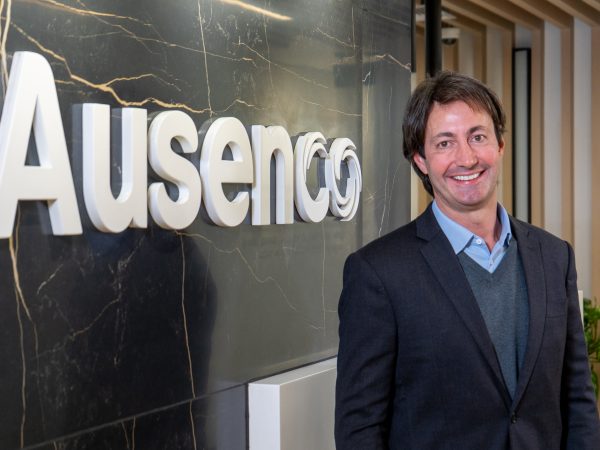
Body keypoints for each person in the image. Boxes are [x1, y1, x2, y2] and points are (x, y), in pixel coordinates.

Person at [335, 71, 600, 449]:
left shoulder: (555, 257)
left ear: (500, 145)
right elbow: (360, 429)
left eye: (478, 137)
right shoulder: (378, 273)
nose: (467, 157)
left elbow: (578, 402)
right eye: (445, 143)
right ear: (421, 160)